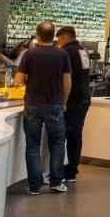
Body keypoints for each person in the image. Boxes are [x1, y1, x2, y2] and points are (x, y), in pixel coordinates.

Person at [15, 22, 71, 195]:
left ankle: (34, 186)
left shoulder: (29, 54)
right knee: (57, 144)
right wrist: (63, 101)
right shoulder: (62, 54)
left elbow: (18, 80)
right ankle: (55, 182)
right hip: (54, 104)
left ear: (38, 36)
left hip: (32, 105)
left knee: (32, 146)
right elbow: (67, 81)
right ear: (54, 36)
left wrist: (29, 83)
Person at [56, 26, 91, 184]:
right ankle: (71, 171)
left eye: (58, 40)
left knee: (63, 136)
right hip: (84, 97)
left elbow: (65, 78)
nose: (58, 43)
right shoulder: (82, 50)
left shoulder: (66, 52)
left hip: (73, 99)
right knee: (76, 135)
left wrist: (63, 100)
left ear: (63, 38)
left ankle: (59, 171)